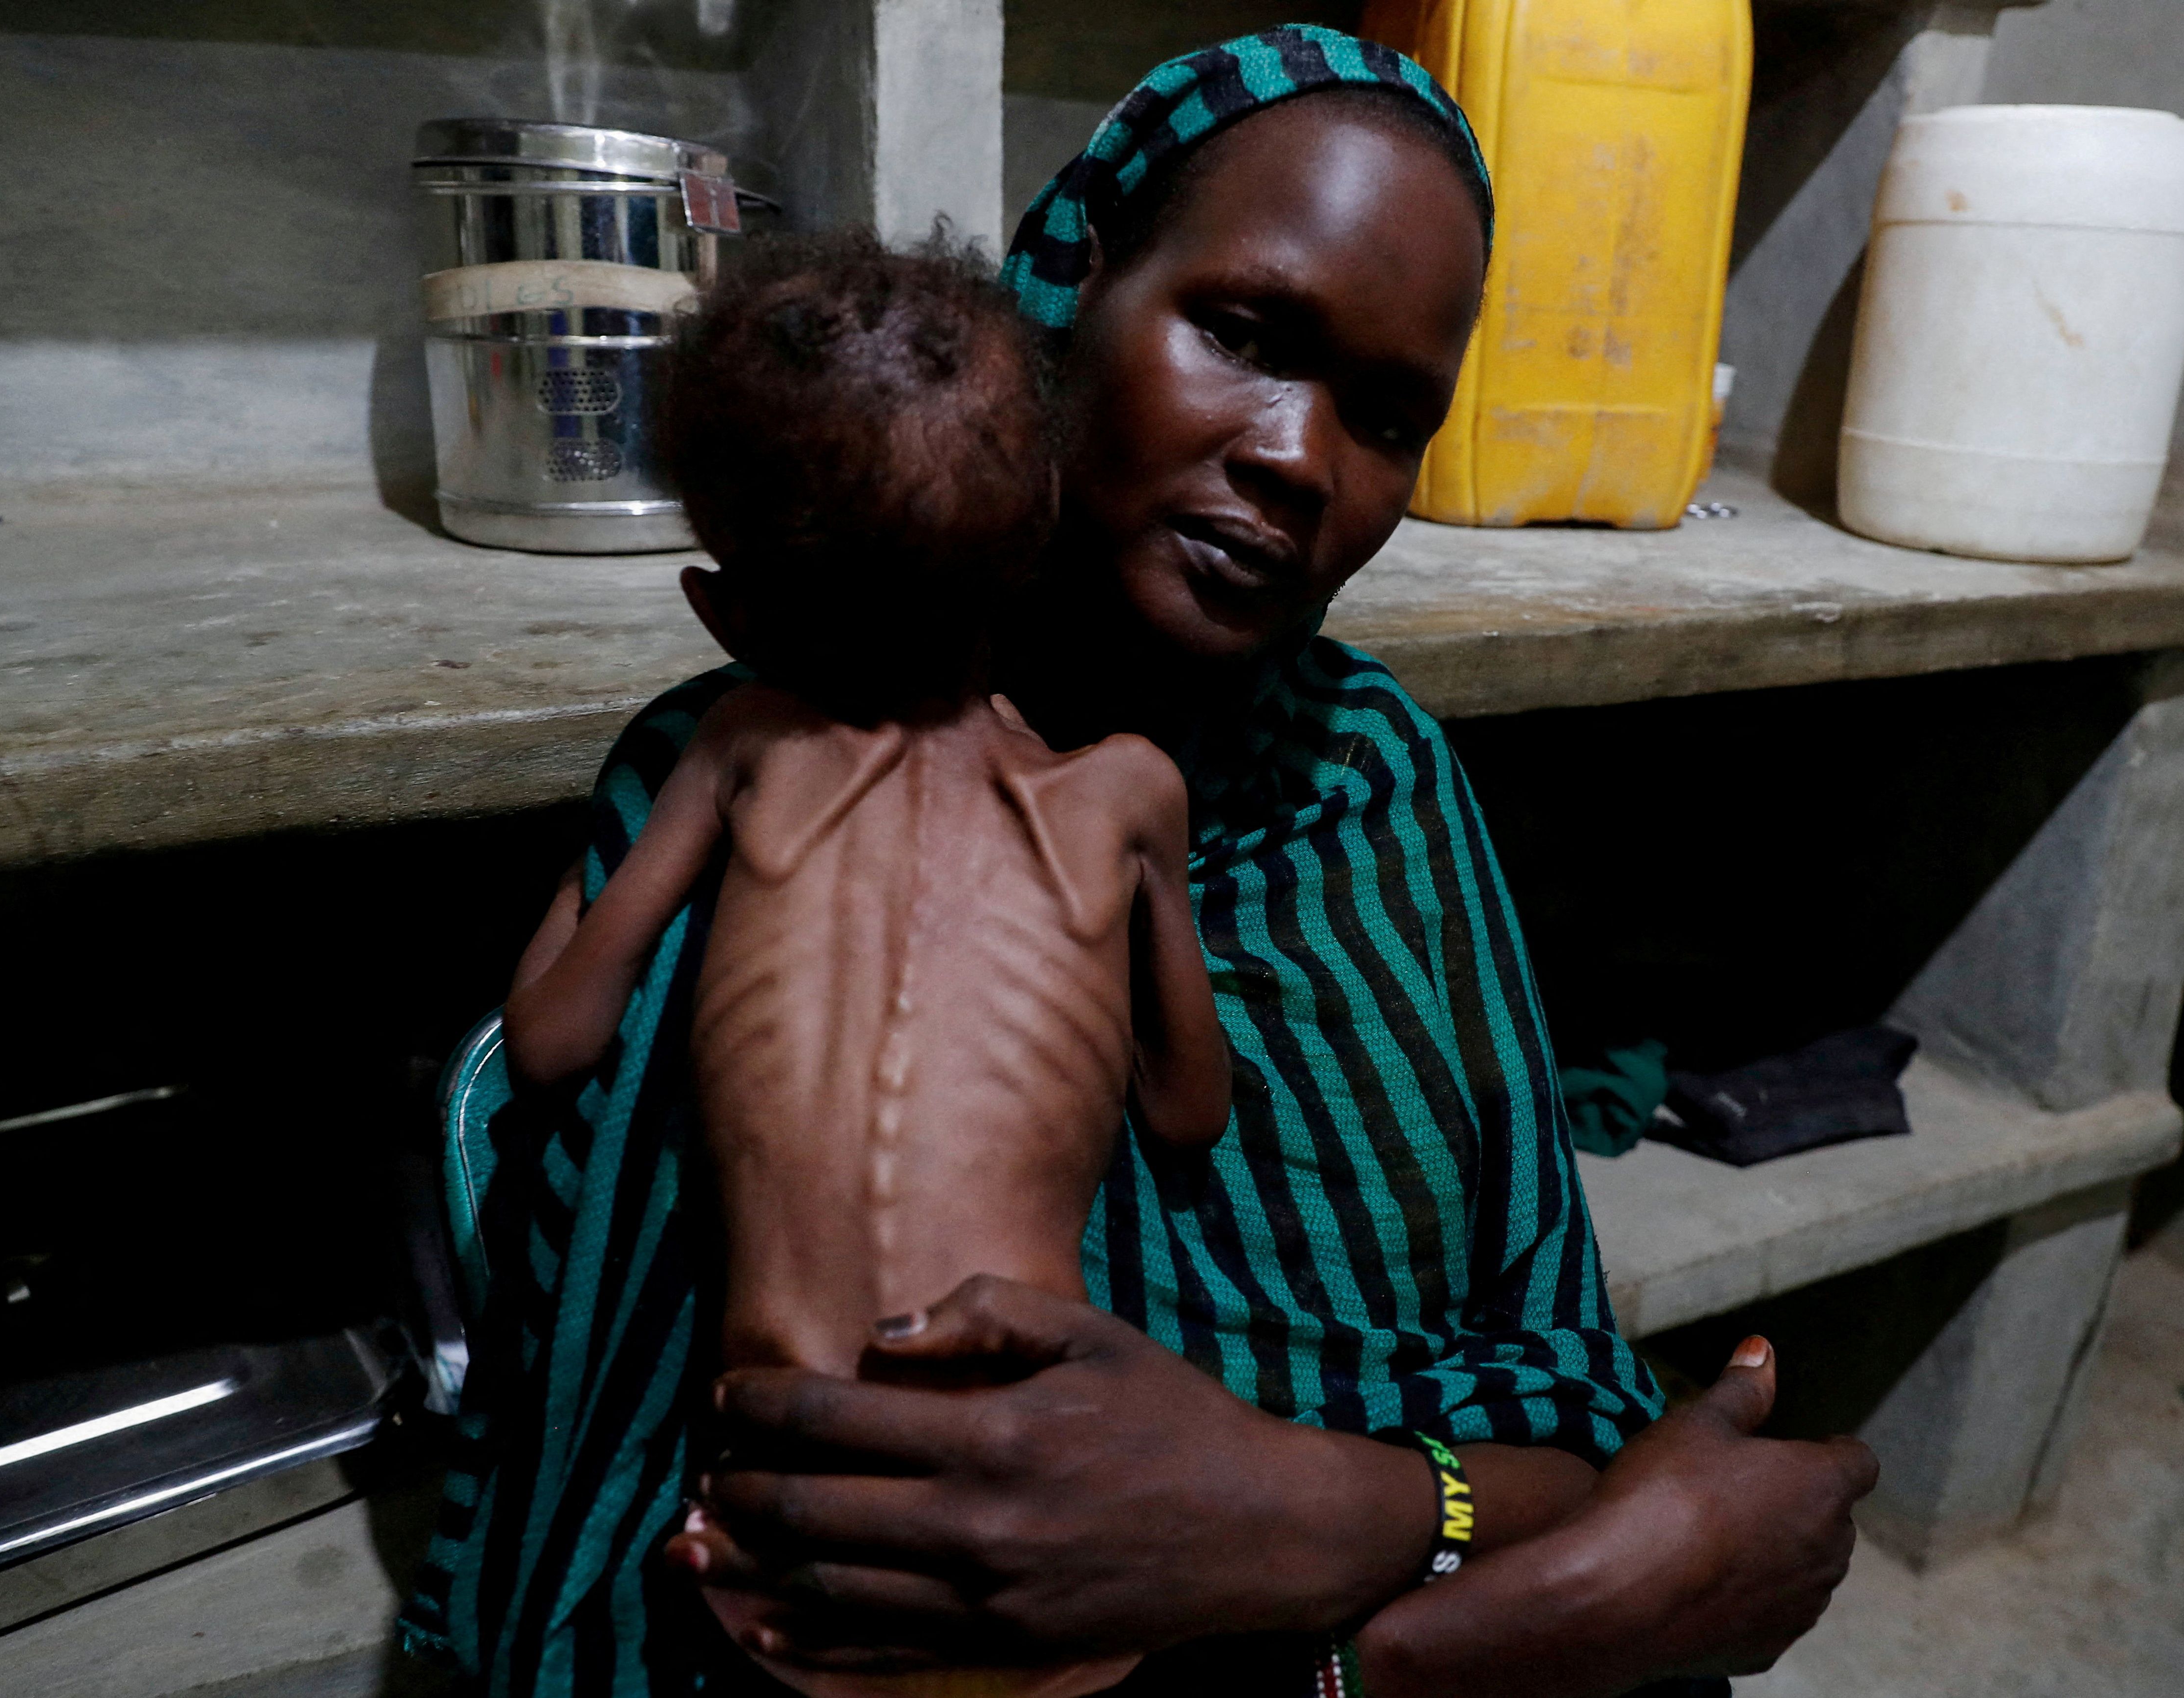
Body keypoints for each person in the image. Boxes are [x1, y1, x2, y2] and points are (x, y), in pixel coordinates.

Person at [404, 26, 1874, 1698]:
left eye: (1390, 416)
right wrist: (1473, 1619)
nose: (1300, 459)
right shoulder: (746, 762)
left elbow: (1549, 1373)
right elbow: (620, 1452)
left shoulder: (1372, 782)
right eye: (1242, 333)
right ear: (1075, 284)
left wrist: (1321, 1510)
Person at [496, 235, 1231, 1698]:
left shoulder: (739, 748)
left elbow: (550, 1040)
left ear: (726, 617)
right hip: (1048, 1561)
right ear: (1036, 545)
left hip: (785, 1562)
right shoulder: (1125, 794)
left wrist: (603, 854)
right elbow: (1189, 1111)